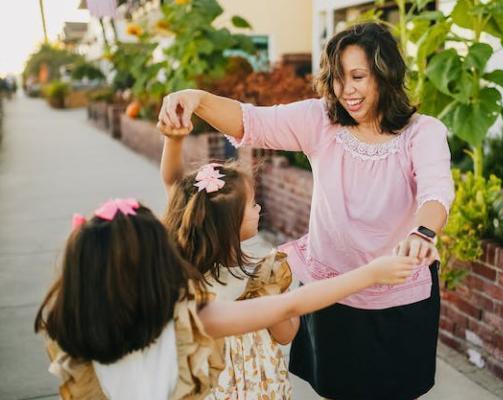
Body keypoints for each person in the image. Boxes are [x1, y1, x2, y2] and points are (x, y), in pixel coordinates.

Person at [157, 22, 454, 399]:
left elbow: (436, 189)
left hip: (399, 296)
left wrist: (422, 233)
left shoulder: (422, 132)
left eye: (358, 76)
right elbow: (252, 121)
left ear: (386, 74)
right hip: (329, 294)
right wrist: (195, 98)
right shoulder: (321, 120)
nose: (346, 90)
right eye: (337, 78)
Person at [34, 198, 419, 399]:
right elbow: (288, 306)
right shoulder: (188, 321)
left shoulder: (72, 337)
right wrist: (369, 274)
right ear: (155, 266)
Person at [160, 149, 297, 398]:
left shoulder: (186, 277)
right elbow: (286, 334)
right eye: (252, 204)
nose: (258, 209)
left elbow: (170, 181)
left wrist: (174, 140)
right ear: (230, 223)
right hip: (260, 388)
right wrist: (286, 302)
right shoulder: (262, 276)